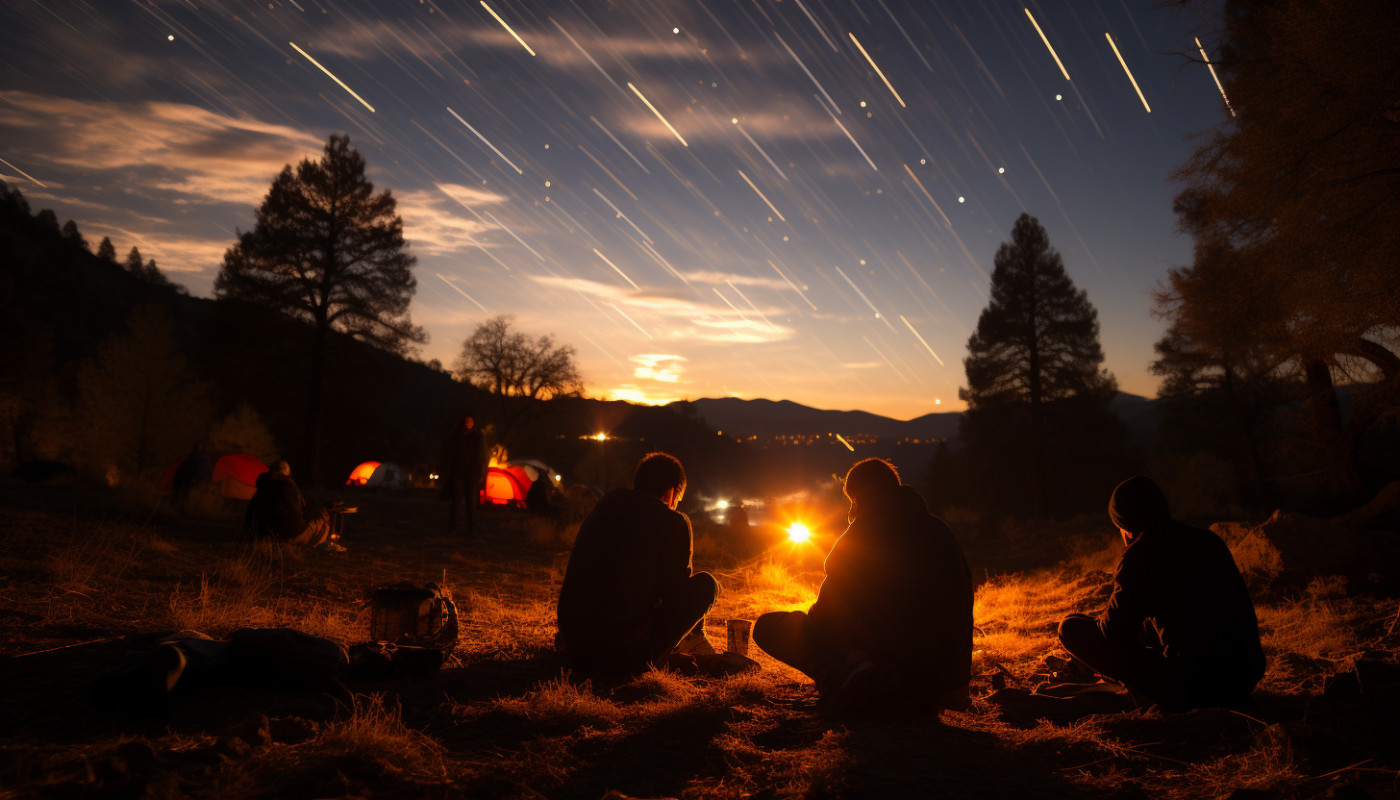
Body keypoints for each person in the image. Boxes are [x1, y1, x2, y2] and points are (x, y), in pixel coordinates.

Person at [754, 458, 973, 717]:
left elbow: (822, 621)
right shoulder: (940, 530)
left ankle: (844, 681)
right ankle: (878, 681)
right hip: (949, 680)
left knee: (768, 627)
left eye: (851, 500)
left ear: (857, 497)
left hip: (898, 671)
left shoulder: (861, 535)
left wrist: (847, 648)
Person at [1058, 476, 1266, 711]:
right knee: (1149, 626)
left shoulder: (1140, 554)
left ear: (1125, 525)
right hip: (1244, 676)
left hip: (1196, 685)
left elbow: (1112, 633)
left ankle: (1155, 692)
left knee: (1070, 627)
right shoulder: (1208, 539)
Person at [556, 452, 720, 676]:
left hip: (575, 648)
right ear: (670, 493)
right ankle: (671, 653)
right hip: (623, 656)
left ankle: (657, 655)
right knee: (706, 585)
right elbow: (674, 594)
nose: (675, 506)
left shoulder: (602, 508)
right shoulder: (672, 522)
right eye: (677, 501)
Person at [242, 461, 336, 548]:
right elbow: (301, 509)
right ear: (287, 473)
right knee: (323, 517)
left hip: (261, 535)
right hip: (288, 536)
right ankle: (321, 543)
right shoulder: (287, 486)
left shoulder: (263, 486)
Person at [443, 413, 486, 536]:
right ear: (463, 422)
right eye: (467, 421)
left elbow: (480, 455)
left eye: (471, 421)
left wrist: (479, 471)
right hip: (459, 473)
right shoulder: (457, 435)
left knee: (471, 503)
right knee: (456, 502)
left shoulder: (477, 436)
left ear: (474, 423)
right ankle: (452, 528)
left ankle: (472, 529)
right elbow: (451, 453)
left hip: (471, 474)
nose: (469, 423)